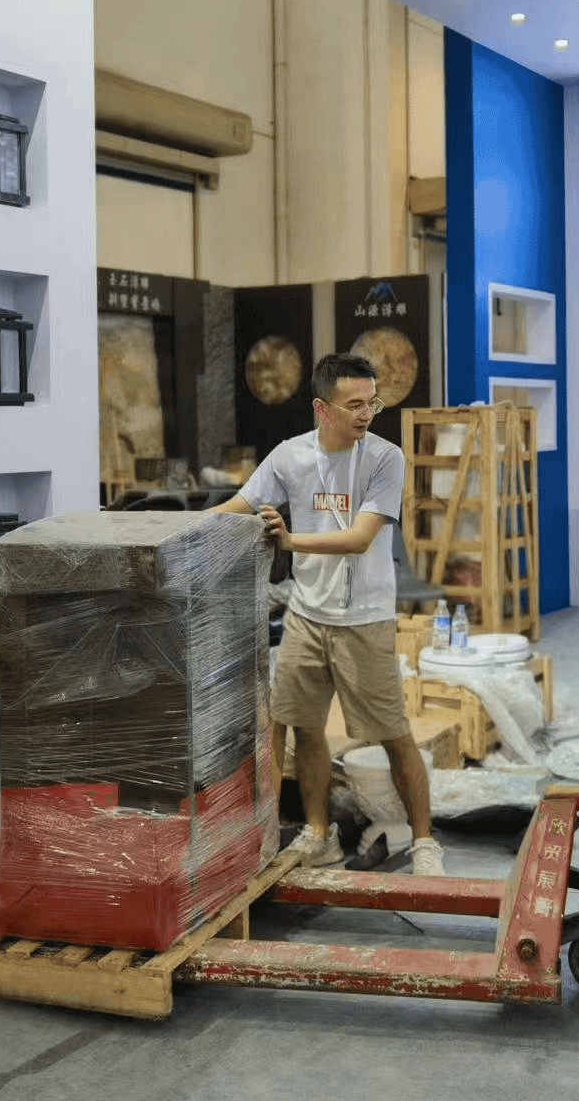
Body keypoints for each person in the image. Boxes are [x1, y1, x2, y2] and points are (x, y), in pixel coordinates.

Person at [211, 353, 445, 876]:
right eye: (354, 404)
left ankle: (425, 842)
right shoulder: (290, 456)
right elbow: (240, 505)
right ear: (322, 408)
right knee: (301, 725)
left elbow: (361, 538)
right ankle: (319, 834)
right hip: (306, 617)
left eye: (372, 403)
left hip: (365, 618)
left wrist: (291, 541)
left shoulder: (384, 458)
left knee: (393, 732)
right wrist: (178, 530)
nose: (366, 414)